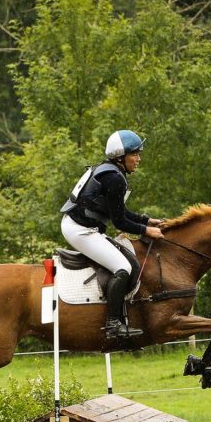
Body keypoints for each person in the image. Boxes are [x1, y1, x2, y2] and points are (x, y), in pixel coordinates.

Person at [60, 130, 165, 339]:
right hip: (79, 230)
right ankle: (113, 325)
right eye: (134, 154)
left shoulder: (109, 172)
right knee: (123, 267)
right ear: (120, 156)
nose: (138, 159)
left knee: (129, 262)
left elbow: (119, 212)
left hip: (81, 226)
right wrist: (146, 231)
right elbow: (119, 222)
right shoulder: (114, 178)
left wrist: (145, 220)